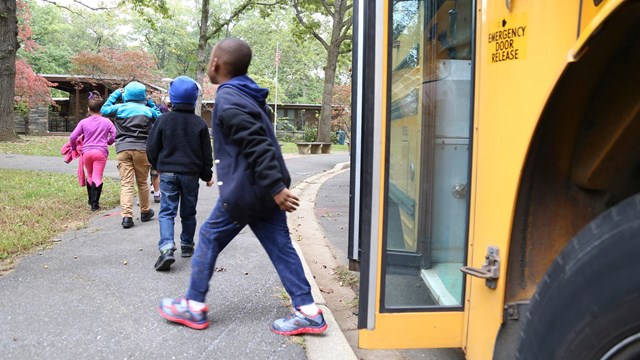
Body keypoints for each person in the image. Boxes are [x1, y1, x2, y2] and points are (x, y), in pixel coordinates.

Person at [158, 38, 327, 335]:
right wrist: (273, 189)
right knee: (281, 246)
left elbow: (256, 144)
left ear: (216, 64)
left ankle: (194, 307)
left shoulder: (229, 98)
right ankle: (309, 311)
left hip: (248, 191)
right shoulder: (246, 93)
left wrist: (275, 187)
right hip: (262, 190)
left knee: (209, 236)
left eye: (211, 58)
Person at [147, 76, 214, 271]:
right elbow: (205, 153)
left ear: (172, 98)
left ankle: (167, 248)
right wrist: (207, 174)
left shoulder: (163, 120)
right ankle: (186, 245)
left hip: (167, 172)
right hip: (191, 175)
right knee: (188, 211)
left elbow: (152, 147)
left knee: (167, 212)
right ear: (194, 98)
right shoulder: (199, 123)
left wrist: (157, 164)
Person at [101, 81, 160, 229]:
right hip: (142, 149)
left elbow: (104, 109)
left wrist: (116, 94)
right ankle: (145, 211)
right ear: (142, 95)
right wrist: (150, 102)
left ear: (126, 94)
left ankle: (127, 216)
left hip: (123, 149)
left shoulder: (120, 108)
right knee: (142, 182)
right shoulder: (147, 110)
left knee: (126, 183)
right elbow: (160, 118)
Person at [69, 91, 116, 211]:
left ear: (89, 109)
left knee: (90, 175)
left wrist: (74, 148)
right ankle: (95, 204)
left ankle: (91, 200)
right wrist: (108, 142)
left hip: (86, 152)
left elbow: (73, 137)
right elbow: (115, 134)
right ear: (102, 109)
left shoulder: (83, 122)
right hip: (100, 152)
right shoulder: (107, 121)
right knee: (97, 176)